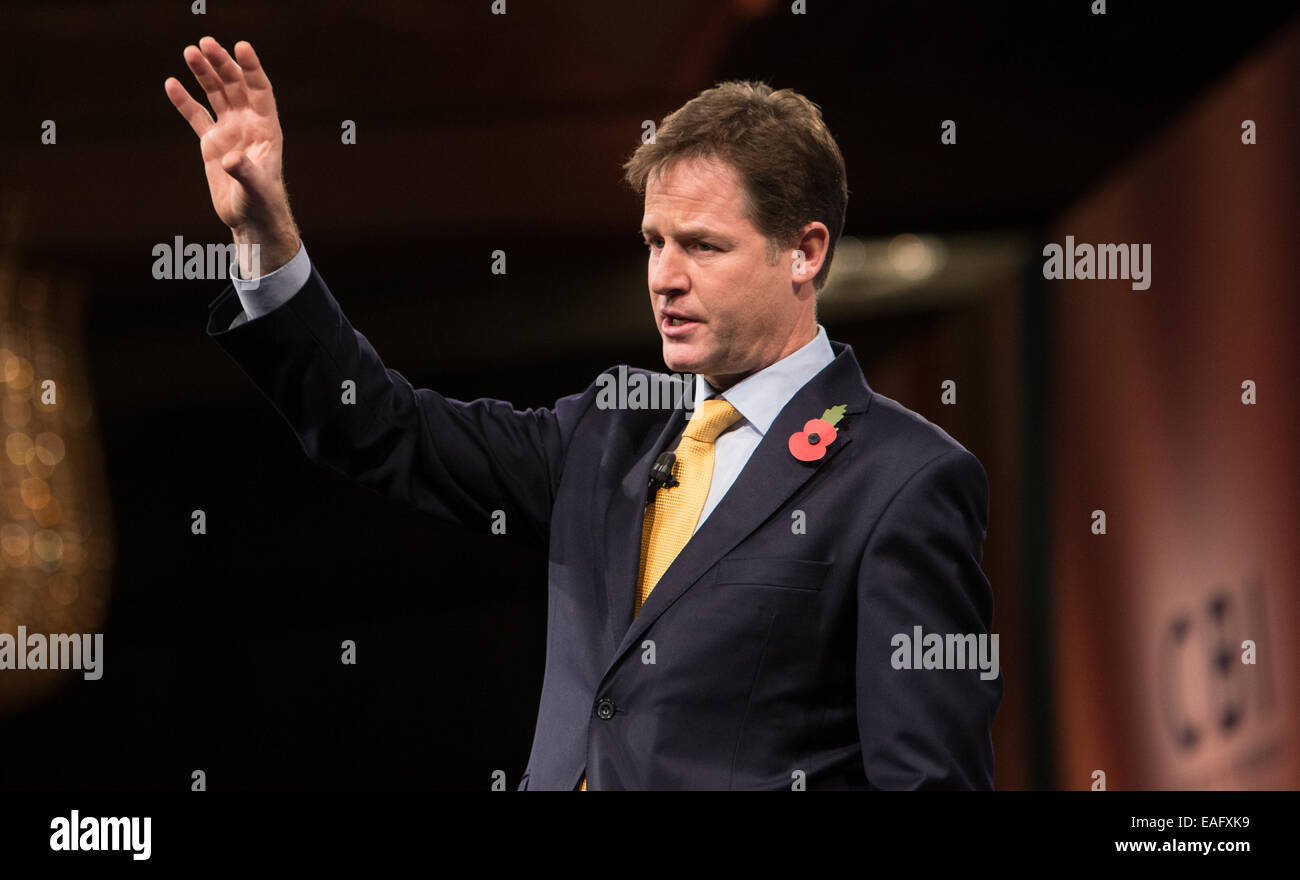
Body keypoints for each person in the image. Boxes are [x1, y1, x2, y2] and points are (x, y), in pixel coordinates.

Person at [165, 36, 1001, 790]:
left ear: (805, 253)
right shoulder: (609, 433)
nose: (664, 277)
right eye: (654, 242)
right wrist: (265, 237)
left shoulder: (902, 480)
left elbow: (928, 780)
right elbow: (380, 428)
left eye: (702, 245)